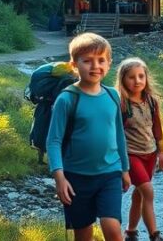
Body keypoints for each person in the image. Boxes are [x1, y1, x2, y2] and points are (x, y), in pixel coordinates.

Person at [46, 32, 131, 241]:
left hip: (109, 173)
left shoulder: (113, 95)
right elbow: (53, 141)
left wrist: (125, 169)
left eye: (101, 60)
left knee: (112, 229)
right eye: (87, 61)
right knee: (83, 235)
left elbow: (119, 134)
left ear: (109, 63)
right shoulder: (67, 99)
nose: (95, 66)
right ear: (74, 65)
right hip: (76, 178)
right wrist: (59, 178)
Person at [115, 57, 163, 241]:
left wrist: (161, 152)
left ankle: (130, 232)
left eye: (140, 76)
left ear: (146, 78)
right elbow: (116, 134)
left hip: (150, 154)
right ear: (123, 80)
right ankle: (155, 235)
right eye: (131, 77)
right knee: (148, 191)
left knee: (139, 194)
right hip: (131, 155)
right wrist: (121, 166)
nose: (137, 81)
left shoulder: (151, 101)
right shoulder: (121, 104)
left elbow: (157, 129)